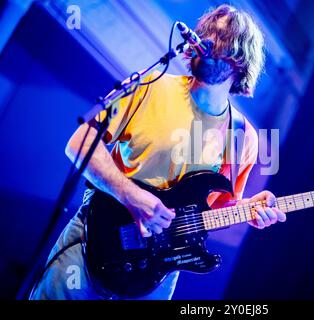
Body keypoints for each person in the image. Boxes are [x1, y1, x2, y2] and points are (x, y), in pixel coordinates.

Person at [29, 4, 286, 300]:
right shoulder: (148, 86)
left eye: (221, 35)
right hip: (97, 234)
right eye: (208, 32)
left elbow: (214, 208)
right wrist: (133, 196)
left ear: (241, 57)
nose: (209, 40)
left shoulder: (243, 136)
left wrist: (249, 208)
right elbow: (79, 142)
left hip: (162, 266)